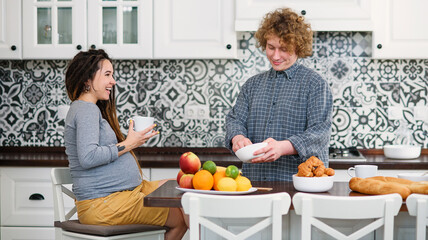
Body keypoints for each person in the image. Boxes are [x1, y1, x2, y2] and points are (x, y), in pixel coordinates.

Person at [64, 49, 187, 239]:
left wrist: (133, 141)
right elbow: (88, 157)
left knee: (180, 187)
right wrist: (129, 144)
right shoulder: (86, 110)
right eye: (107, 75)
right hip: (104, 203)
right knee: (180, 216)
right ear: (87, 80)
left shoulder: (87, 108)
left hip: (121, 194)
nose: (113, 81)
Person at [225, 8, 333, 181]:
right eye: (271, 47)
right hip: (254, 182)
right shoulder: (252, 85)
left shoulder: (315, 84)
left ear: (298, 46)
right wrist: (238, 137)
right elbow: (235, 119)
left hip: (299, 185)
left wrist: (284, 147)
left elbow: (320, 132)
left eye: (284, 49)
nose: (275, 55)